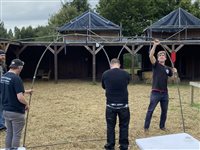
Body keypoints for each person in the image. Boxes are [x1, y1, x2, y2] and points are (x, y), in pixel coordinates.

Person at [144, 39, 177, 131]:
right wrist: (155, 45)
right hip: (155, 92)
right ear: (158, 58)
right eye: (160, 55)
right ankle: (146, 127)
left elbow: (173, 79)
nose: (162, 56)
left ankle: (162, 126)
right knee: (151, 110)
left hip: (165, 93)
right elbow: (151, 55)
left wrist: (175, 72)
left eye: (163, 55)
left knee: (164, 111)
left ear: (166, 58)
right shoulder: (156, 65)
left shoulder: (168, 68)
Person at [1, 58, 33, 148]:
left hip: (6, 111)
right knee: (16, 135)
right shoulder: (16, 78)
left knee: (9, 133)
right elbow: (20, 97)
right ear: (19, 67)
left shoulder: (4, 77)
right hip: (16, 112)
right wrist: (26, 104)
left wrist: (26, 91)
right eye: (21, 67)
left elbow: (10, 90)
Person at [102, 58, 130, 150]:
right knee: (124, 126)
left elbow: (104, 86)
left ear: (111, 65)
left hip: (110, 105)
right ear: (119, 65)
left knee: (110, 127)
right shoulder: (126, 74)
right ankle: (124, 146)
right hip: (124, 105)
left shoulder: (105, 74)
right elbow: (127, 83)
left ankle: (110, 145)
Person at [0, 49, 7, 131]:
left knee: (2, 107)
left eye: (4, 55)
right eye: (2, 55)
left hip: (2, 90)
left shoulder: (3, 66)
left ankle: (1, 125)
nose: (3, 57)